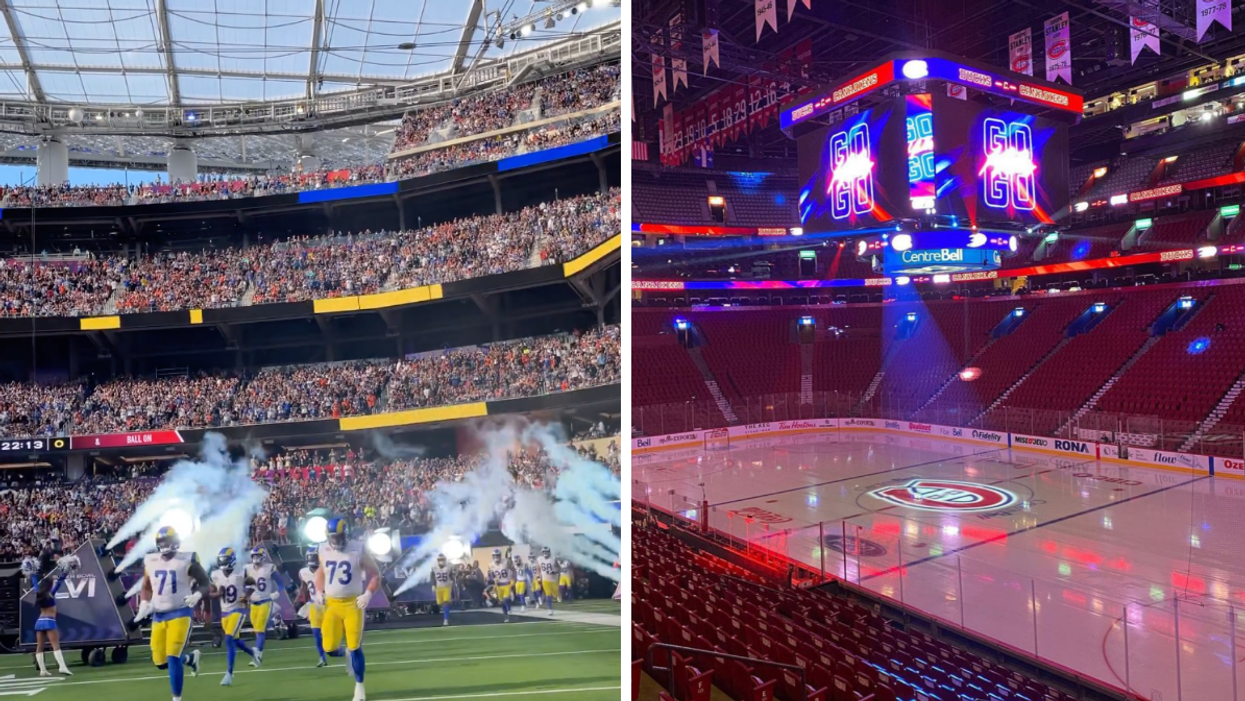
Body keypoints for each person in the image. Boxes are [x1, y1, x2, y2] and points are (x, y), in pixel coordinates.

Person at [133, 526, 207, 701]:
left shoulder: (187, 559)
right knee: (160, 662)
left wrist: (197, 595)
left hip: (181, 611)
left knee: (172, 656)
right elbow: (145, 586)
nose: (164, 545)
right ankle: (190, 659)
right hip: (158, 614)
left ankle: (176, 699)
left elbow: (205, 582)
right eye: (161, 542)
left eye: (167, 541)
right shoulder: (151, 560)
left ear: (175, 541)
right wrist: (144, 602)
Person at [313, 517, 380, 701]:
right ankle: (346, 653)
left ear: (345, 534)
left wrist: (367, 594)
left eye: (338, 537)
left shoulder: (358, 549)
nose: (335, 541)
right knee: (329, 648)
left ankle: (359, 687)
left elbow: (375, 575)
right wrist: (319, 590)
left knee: (355, 645)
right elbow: (320, 572)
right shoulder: (323, 549)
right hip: (332, 605)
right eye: (332, 537)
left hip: (352, 604)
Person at [208, 548, 256, 686]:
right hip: (225, 612)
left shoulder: (241, 572)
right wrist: (217, 594)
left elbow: (252, 584)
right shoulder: (215, 575)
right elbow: (210, 593)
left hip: (238, 610)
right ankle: (253, 653)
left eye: (226, 560)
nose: (223, 563)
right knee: (234, 640)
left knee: (228, 638)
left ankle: (229, 673)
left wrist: (246, 596)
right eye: (222, 560)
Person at [32, 549, 77, 676]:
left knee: (39, 646)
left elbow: (35, 581)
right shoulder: (50, 594)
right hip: (50, 621)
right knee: (55, 645)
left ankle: (42, 670)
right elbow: (61, 580)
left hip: (39, 622)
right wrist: (66, 570)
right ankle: (62, 667)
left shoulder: (38, 593)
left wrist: (32, 573)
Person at [299, 545, 344, 667]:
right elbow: (304, 587)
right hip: (315, 605)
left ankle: (341, 651)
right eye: (311, 556)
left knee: (329, 635)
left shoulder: (328, 569)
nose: (312, 559)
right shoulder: (303, 572)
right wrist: (300, 599)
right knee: (316, 634)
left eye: (314, 556)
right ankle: (321, 658)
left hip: (329, 604)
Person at [243, 547, 282, 665]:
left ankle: (258, 655)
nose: (256, 558)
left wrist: (277, 592)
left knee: (260, 628)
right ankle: (275, 621)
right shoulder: (247, 568)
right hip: (253, 603)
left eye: (258, 556)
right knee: (257, 629)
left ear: (263, 556)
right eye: (254, 556)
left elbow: (280, 583)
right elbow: (244, 584)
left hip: (266, 601)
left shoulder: (269, 567)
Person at [486, 549, 513, 623]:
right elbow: (490, 574)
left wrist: (512, 577)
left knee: (506, 599)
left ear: (500, 556)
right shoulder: (491, 565)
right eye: (495, 555)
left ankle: (509, 608)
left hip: (506, 583)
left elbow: (512, 568)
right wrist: (493, 578)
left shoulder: (505, 562)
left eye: (497, 555)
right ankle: (506, 616)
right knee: (501, 602)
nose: (496, 557)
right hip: (498, 585)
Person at [431, 554, 453, 626]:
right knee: (440, 603)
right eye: (440, 560)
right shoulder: (434, 567)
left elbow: (451, 575)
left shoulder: (449, 566)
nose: (441, 561)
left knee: (446, 602)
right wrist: (433, 585)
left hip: (446, 587)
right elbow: (432, 576)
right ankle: (446, 613)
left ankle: (445, 620)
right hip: (438, 587)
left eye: (442, 560)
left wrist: (452, 581)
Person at [537, 547, 558, 615]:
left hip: (553, 580)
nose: (545, 553)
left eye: (546, 552)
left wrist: (554, 571)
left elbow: (559, 568)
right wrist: (538, 577)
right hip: (545, 579)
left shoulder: (553, 559)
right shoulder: (540, 559)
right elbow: (538, 568)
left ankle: (556, 596)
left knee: (555, 595)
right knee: (548, 594)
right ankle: (550, 609)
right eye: (544, 552)